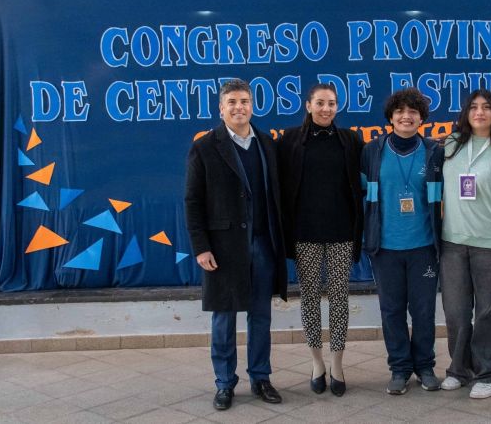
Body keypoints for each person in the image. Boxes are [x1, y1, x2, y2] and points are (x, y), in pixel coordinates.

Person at [184, 79, 288, 410]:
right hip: (224, 248)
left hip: (262, 246)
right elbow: (192, 201)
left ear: (253, 105)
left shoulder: (268, 143)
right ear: (221, 108)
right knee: (223, 318)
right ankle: (224, 383)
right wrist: (201, 246)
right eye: (232, 102)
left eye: (244, 101)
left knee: (261, 317)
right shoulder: (204, 147)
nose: (238, 107)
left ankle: (261, 377)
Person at [277, 84, 364, 397]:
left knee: (339, 298)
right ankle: (316, 363)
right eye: (320, 103)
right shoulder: (289, 140)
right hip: (305, 233)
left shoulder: (351, 140)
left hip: (342, 232)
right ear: (308, 105)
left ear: (337, 107)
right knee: (310, 298)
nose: (326, 109)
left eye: (332, 103)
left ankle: (338, 364)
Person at [439, 89, 491, 399]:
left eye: (486, 107)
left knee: (489, 312)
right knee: (456, 312)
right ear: (465, 113)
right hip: (452, 245)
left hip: (490, 248)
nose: (479, 112)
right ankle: (459, 370)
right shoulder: (450, 147)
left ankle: (489, 373)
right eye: (473, 107)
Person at [361, 87, 444, 395]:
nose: (406, 116)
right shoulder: (372, 151)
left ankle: (424, 366)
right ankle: (399, 367)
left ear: (421, 118)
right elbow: (361, 195)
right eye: (400, 111)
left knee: (423, 311)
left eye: (413, 111)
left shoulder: (434, 151)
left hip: (424, 246)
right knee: (392, 310)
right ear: (390, 117)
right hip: (384, 247)